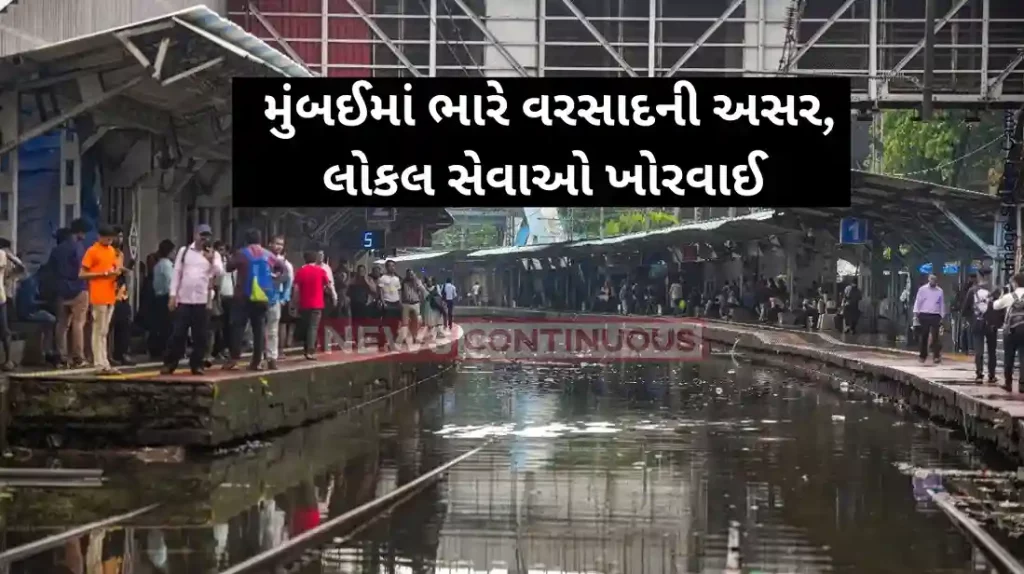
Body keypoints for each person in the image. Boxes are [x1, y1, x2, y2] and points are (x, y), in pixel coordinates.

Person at [162, 224, 223, 375]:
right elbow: (177, 273)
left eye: (207, 236)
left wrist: (211, 261)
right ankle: (171, 362)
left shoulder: (214, 254)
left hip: (202, 300)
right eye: (201, 235)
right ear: (195, 235)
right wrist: (172, 295)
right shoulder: (184, 252)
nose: (204, 239)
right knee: (178, 333)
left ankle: (197, 364)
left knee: (200, 335)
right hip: (184, 299)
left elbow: (220, 273)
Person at [225, 229, 286, 371]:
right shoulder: (268, 254)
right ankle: (256, 361)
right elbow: (281, 268)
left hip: (243, 295)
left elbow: (229, 268)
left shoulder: (242, 253)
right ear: (260, 240)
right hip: (262, 296)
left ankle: (234, 357)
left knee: (238, 326)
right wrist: (273, 279)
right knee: (259, 329)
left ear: (246, 240)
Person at [80, 225, 123, 375]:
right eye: (107, 237)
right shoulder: (92, 251)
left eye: (112, 237)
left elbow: (113, 268)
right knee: (99, 329)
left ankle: (105, 361)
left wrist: (116, 273)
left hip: (110, 294)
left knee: (104, 330)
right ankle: (99, 362)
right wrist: (101, 274)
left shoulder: (111, 251)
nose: (110, 240)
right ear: (100, 237)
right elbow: (82, 274)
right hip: (98, 294)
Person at [55, 218, 91, 369]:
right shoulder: (79, 248)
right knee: (78, 323)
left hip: (61, 289)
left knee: (62, 325)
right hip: (78, 288)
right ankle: (78, 357)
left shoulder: (57, 249)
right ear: (81, 232)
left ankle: (61, 357)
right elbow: (82, 269)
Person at [963, 270, 1000, 384]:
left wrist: (971, 320)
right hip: (988, 324)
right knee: (989, 351)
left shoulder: (973, 291)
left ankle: (981, 374)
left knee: (982, 351)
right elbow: (999, 309)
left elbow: (965, 309)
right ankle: (989, 374)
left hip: (981, 323)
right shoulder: (995, 291)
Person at [293, 251, 331, 360]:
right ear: (315, 260)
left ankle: (306, 349)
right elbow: (327, 286)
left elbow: (296, 290)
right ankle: (310, 351)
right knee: (313, 327)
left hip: (304, 304)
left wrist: (295, 303)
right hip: (317, 304)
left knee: (306, 326)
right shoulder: (321, 271)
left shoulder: (301, 271)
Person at [264, 235, 293, 370]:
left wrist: (284, 298)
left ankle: (272, 357)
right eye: (276, 243)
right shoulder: (263, 259)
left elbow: (289, 282)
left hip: (275, 299)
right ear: (270, 244)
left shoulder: (285, 264)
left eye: (281, 244)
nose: (279, 246)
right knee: (259, 330)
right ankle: (260, 356)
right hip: (260, 299)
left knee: (273, 330)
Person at [110, 226, 136, 366]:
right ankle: (109, 354)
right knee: (108, 327)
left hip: (122, 292)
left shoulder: (120, 254)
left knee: (125, 323)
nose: (119, 240)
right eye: (117, 236)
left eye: (121, 237)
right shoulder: (108, 253)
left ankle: (122, 353)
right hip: (110, 293)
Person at [994, 273, 1024, 393]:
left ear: (1015, 283)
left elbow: (995, 306)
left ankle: (1008, 383)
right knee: (1023, 357)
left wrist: (1002, 295)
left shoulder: (1009, 296)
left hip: (1011, 330)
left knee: (1009, 357)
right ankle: (1022, 385)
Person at [147, 239, 175, 359]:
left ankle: (156, 349)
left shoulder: (158, 265)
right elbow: (171, 282)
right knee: (167, 326)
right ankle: (164, 350)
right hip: (166, 297)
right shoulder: (167, 265)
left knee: (158, 324)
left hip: (157, 297)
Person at [0, 238, 24, 370]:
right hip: (3, 297)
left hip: (2, 298)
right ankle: (8, 360)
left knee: (5, 330)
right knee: (5, 330)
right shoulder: (3, 255)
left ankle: (8, 360)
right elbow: (21, 268)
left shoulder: (2, 255)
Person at [912, 273, 945, 365]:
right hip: (924, 314)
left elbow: (942, 303)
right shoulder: (922, 290)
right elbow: (918, 301)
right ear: (929, 279)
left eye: (934, 280)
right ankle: (923, 355)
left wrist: (942, 315)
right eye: (931, 279)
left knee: (935, 336)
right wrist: (916, 313)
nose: (933, 281)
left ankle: (936, 356)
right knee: (924, 335)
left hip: (935, 314)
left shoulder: (940, 291)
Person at [377, 260, 402, 348]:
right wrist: (383, 302)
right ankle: (382, 342)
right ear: (386, 267)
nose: (392, 267)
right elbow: (380, 291)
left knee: (395, 324)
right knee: (385, 324)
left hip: (396, 303)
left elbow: (399, 291)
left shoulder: (397, 279)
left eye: (393, 266)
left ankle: (393, 341)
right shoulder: (382, 278)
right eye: (390, 266)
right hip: (387, 302)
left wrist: (400, 302)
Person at [400, 269, 425, 344]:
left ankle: (415, 337)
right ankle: (404, 338)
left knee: (415, 322)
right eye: (408, 274)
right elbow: (400, 292)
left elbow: (423, 290)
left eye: (411, 274)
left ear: (414, 274)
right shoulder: (403, 282)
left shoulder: (417, 281)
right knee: (405, 323)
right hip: (405, 304)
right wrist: (400, 302)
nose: (410, 275)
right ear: (406, 274)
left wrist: (417, 281)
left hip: (415, 303)